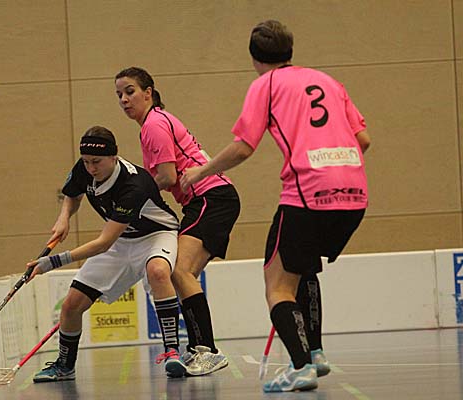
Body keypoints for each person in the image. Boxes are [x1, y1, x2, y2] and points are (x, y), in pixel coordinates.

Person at [180, 20, 370, 392]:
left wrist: (200, 171)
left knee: (277, 285)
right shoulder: (328, 81)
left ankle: (301, 367)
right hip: (355, 194)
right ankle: (315, 352)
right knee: (303, 268)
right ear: (290, 50)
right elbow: (362, 139)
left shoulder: (265, 85)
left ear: (254, 57)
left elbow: (243, 148)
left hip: (307, 193)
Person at [29, 126, 185, 381]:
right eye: (86, 161)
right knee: (71, 305)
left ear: (114, 156)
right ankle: (64, 366)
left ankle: (172, 352)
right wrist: (64, 217)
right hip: (121, 241)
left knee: (157, 271)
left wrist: (53, 262)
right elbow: (72, 194)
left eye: (97, 162)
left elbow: (103, 243)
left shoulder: (134, 184)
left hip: (155, 236)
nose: (91, 168)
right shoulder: (85, 168)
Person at [115, 67, 241, 376]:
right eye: (119, 95)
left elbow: (168, 176)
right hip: (207, 200)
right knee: (183, 275)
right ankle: (198, 348)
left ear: (148, 93)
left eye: (130, 91)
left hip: (210, 197)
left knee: (179, 271)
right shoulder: (153, 124)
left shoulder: (154, 124)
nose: (124, 100)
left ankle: (208, 350)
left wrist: (132, 199)